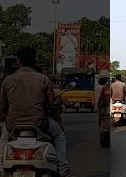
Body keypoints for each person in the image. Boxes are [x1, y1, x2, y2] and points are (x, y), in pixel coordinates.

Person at [0, 47, 73, 177]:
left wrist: (9, 117)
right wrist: (59, 102)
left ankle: (1, 167)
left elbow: (2, 107)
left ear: (18, 61)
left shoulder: (8, 80)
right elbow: (52, 104)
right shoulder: (43, 79)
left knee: (3, 139)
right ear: (34, 60)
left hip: (12, 125)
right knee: (60, 135)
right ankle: (62, 169)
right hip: (40, 123)